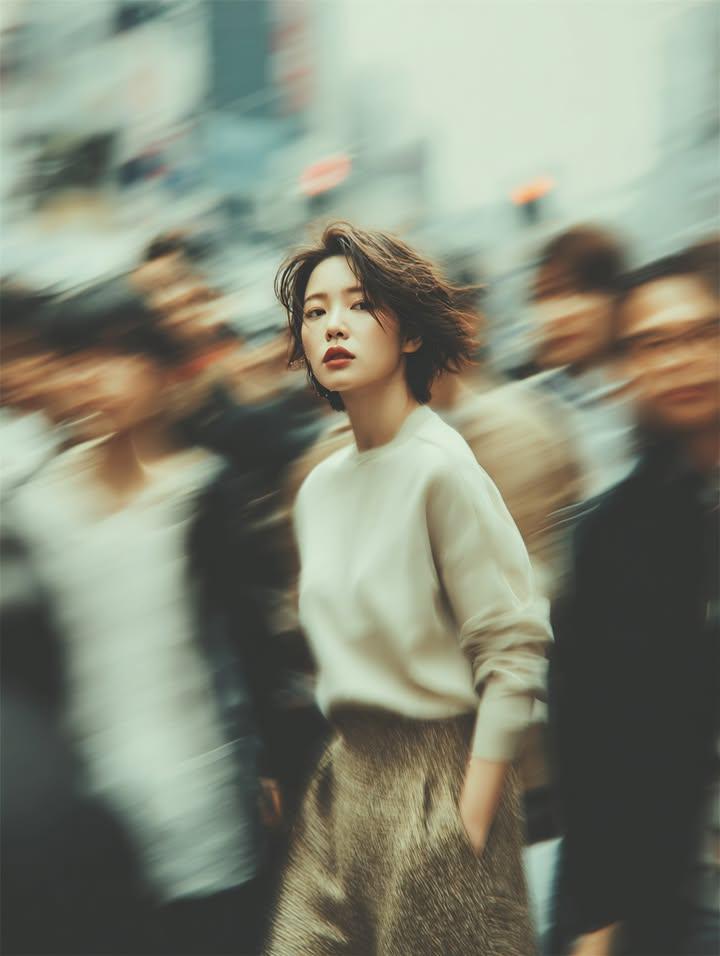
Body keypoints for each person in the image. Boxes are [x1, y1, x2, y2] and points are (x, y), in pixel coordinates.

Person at [265, 222, 551, 955]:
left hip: (440, 781)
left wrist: (471, 820)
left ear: (412, 336)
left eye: (359, 304)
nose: (333, 324)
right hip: (343, 782)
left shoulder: (442, 469)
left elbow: (513, 648)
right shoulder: (320, 487)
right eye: (316, 311)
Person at [11, 281, 287, 955]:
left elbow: (253, 645)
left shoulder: (203, 491)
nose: (92, 378)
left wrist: (273, 765)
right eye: (75, 359)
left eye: (115, 356)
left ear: (162, 371)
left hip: (199, 802)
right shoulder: (30, 507)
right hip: (82, 813)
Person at [548, 252, 720, 955]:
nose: (684, 359)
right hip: (682, 895)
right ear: (624, 370)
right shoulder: (609, 539)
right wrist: (594, 922)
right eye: (654, 343)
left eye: (704, 332)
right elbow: (591, 745)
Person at [519, 225, 637, 500]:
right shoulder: (528, 408)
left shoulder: (653, 396)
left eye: (578, 293)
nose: (557, 314)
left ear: (617, 297)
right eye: (543, 296)